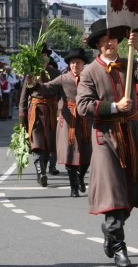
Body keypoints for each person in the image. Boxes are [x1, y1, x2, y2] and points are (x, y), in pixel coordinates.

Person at [75, 19, 138, 267]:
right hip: (105, 136)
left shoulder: (128, 63)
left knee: (130, 191)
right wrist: (113, 107)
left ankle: (110, 228)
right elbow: (82, 106)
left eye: (113, 39)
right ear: (98, 46)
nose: (110, 43)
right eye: (104, 40)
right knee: (113, 191)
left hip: (130, 133)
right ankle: (120, 247)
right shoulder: (89, 71)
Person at [26, 48, 93, 197]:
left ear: (83, 64)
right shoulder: (63, 78)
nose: (74, 65)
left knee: (87, 154)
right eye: (72, 63)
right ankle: (74, 187)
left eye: (78, 62)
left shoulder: (90, 77)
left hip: (86, 119)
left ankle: (80, 177)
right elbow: (46, 87)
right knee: (70, 153)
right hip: (68, 120)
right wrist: (33, 84)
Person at [18, 46, 60, 187]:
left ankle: (45, 167)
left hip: (51, 111)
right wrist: (22, 118)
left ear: (48, 57)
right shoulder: (31, 74)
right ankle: (41, 173)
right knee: (36, 144)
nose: (42, 58)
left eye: (45, 55)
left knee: (48, 145)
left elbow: (60, 95)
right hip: (35, 111)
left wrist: (60, 112)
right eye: (40, 56)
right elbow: (24, 97)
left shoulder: (56, 73)